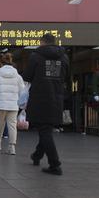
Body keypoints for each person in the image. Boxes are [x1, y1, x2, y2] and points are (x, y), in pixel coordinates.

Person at [23, 33, 69, 175]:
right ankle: (37, 155)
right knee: (46, 129)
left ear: (42, 42)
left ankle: (55, 164)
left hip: (40, 99)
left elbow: (27, 77)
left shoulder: (35, 56)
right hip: (56, 98)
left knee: (44, 130)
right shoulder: (64, 57)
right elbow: (66, 76)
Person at [0, 53, 25, 155]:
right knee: (12, 126)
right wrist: (23, 104)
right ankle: (12, 147)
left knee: (0, 124)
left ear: (1, 63)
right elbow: (22, 92)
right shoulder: (18, 76)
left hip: (0, 105)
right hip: (13, 105)